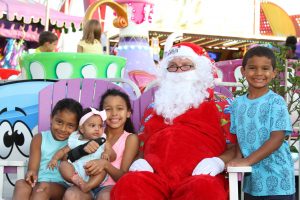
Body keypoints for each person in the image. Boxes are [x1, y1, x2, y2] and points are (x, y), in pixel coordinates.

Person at [111, 42, 237, 200]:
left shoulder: (221, 103)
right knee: (130, 184)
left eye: (186, 66)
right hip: (156, 177)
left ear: (200, 70)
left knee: (205, 189)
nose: (179, 72)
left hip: (199, 176)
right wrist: (141, 161)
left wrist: (218, 162)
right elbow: (142, 147)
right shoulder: (154, 107)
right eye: (173, 66)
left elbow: (234, 147)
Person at [228, 46, 295, 199]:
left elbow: (277, 139)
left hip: (278, 181)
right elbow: (240, 137)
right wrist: (238, 160)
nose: (259, 73)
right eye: (252, 68)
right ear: (243, 71)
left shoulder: (275, 101)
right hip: (252, 180)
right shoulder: (237, 104)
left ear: (273, 73)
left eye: (265, 68)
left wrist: (247, 161)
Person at [63, 89, 139, 200]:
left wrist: (105, 164)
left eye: (120, 108)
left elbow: (124, 177)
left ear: (128, 113)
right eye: (108, 109)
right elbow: (65, 159)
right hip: (83, 183)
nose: (114, 113)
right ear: (101, 114)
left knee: (106, 196)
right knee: (71, 195)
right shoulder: (89, 133)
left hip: (109, 186)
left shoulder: (130, 138)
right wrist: (82, 150)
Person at [12, 98, 83, 200]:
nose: (63, 129)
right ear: (51, 118)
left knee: (43, 188)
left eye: (70, 125)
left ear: (77, 127)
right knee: (21, 184)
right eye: (59, 122)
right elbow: (33, 168)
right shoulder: (39, 138)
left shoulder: (73, 143)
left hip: (60, 185)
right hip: (38, 182)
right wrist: (31, 173)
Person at [47, 107, 116, 195]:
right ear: (82, 129)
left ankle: (88, 186)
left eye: (100, 126)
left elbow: (113, 156)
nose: (97, 129)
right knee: (63, 165)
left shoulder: (103, 140)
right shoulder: (75, 140)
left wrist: (106, 153)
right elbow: (63, 151)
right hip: (77, 171)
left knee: (103, 170)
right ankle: (77, 180)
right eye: (92, 125)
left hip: (94, 172)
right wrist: (54, 159)